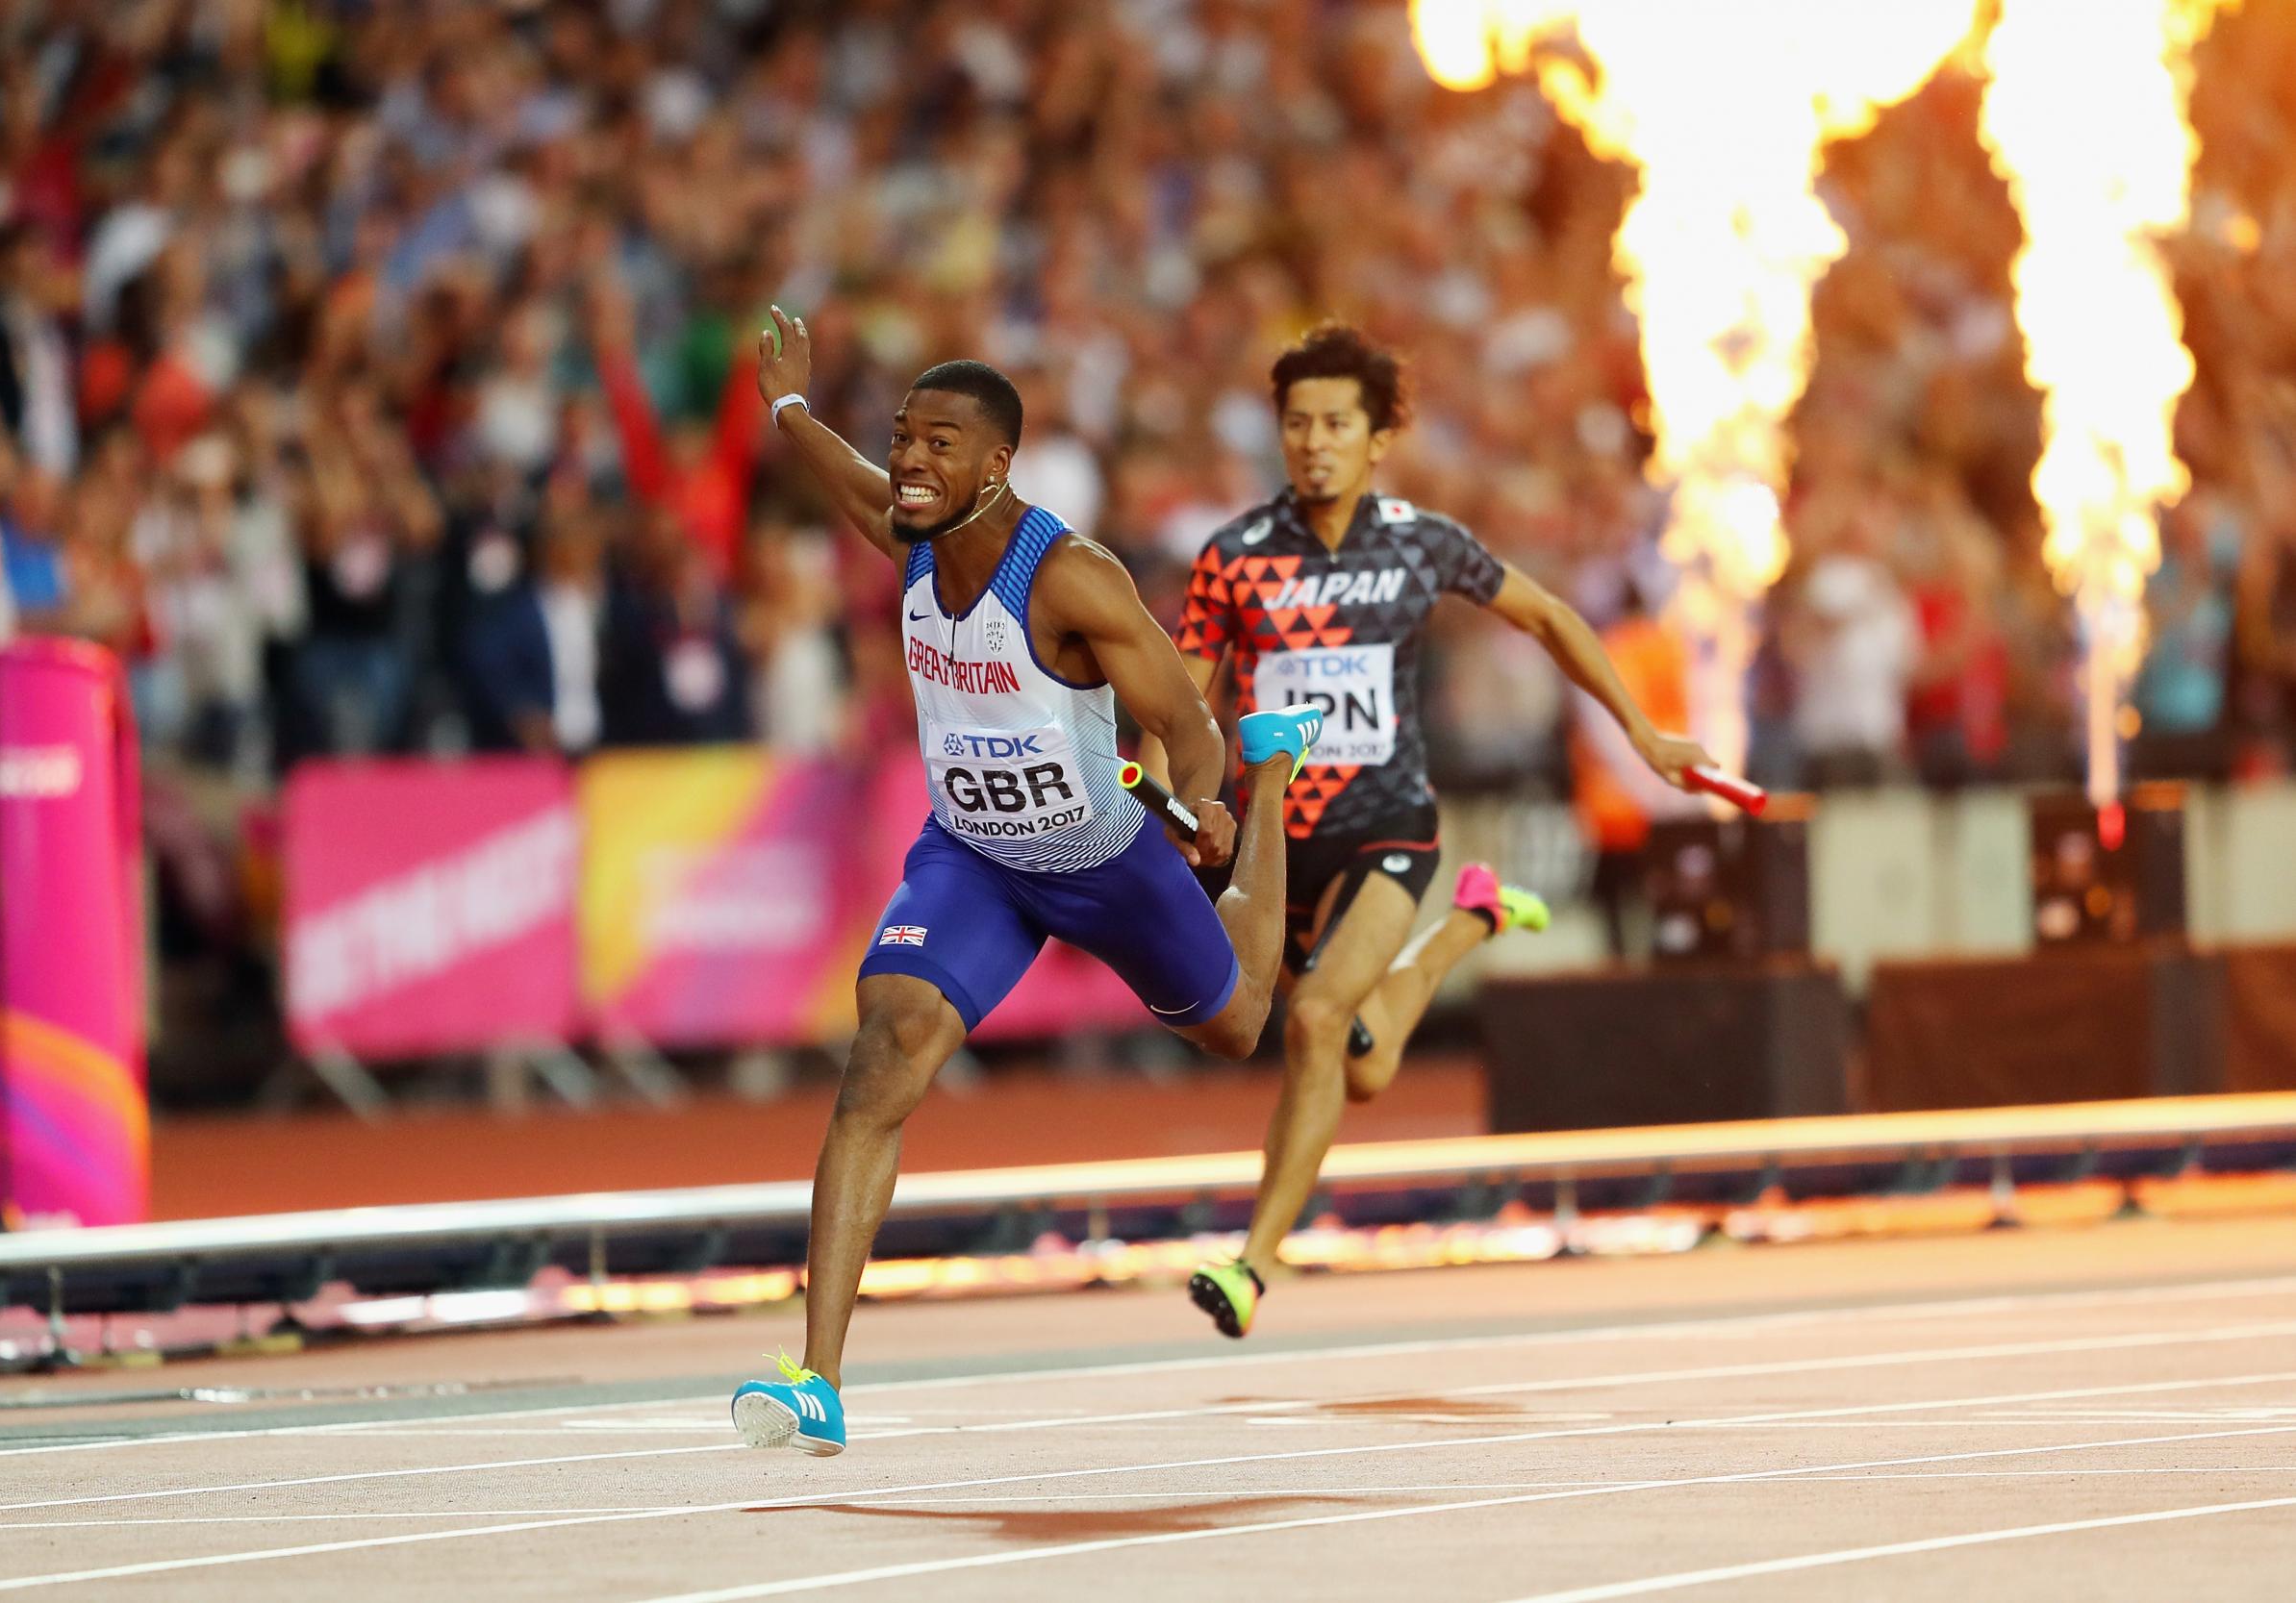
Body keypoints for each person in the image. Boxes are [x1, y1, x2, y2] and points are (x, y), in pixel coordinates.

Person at [729, 308, 1320, 1455]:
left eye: (939, 444)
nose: (908, 459)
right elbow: (843, 474)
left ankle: (1281, 767)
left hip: (1105, 860)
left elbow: (1184, 726)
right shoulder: (903, 532)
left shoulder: (1072, 577)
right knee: (882, 1052)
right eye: (905, 435)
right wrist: (790, 407)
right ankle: (818, 1379)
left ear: (997, 466)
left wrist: (1211, 794)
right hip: (976, 861)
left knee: (1240, 1022)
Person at [1149, 324, 1712, 1338]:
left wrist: (1639, 728)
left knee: (1319, 1022)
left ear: (1375, 440)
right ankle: (1472, 922)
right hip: (1279, 842)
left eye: (1335, 423)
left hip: (1386, 825)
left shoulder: (1419, 541)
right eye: (1296, 423)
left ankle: (1253, 1261)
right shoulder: (1232, 560)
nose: (1313, 441)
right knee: (1359, 1065)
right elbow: (1183, 702)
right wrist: (1162, 785)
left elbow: (1543, 616)